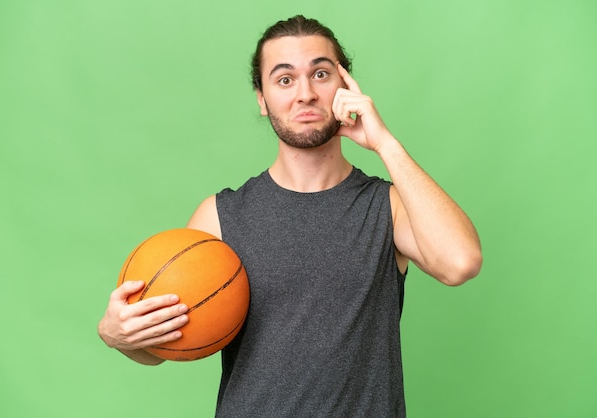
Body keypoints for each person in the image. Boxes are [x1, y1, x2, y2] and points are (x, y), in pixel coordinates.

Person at [98, 15, 482, 417]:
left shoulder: (388, 206)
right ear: (262, 100)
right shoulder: (220, 215)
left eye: (320, 74)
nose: (305, 94)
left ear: (345, 87)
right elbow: (166, 343)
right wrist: (117, 335)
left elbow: (461, 262)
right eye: (284, 79)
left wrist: (385, 144)